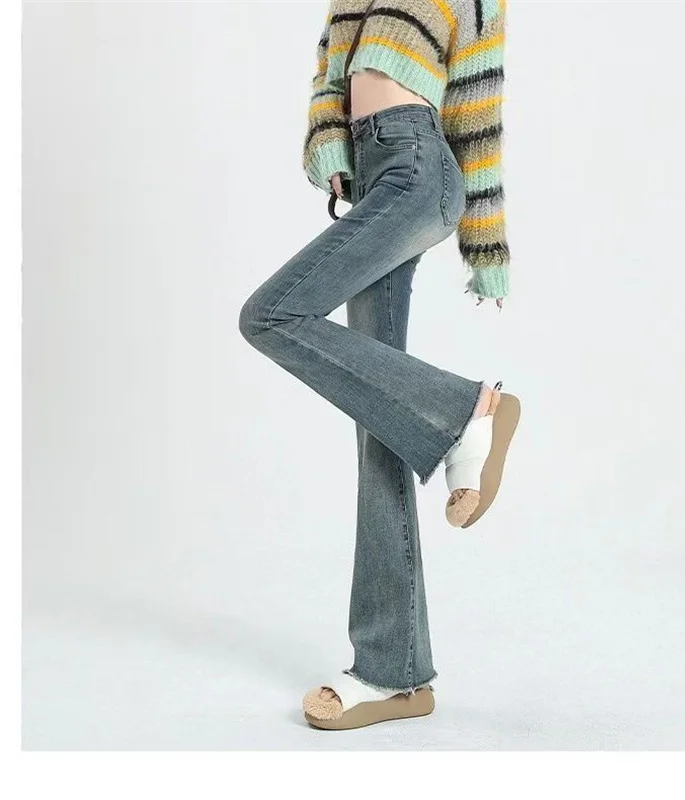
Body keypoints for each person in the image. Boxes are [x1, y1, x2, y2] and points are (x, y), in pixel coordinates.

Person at [238, 0, 520, 730]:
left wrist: (487, 248)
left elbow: (477, 112)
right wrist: (330, 146)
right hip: (373, 175)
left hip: (420, 169)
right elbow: (330, 69)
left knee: (270, 315)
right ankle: (393, 674)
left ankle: (464, 412)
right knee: (379, 425)